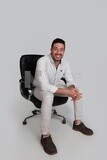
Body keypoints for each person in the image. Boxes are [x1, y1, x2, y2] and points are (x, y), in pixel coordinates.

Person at [33, 38, 94, 155]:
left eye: (61, 50)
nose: (58, 52)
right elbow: (45, 86)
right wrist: (67, 93)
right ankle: (45, 136)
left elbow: (70, 79)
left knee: (78, 90)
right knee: (49, 96)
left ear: (64, 51)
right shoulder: (42, 61)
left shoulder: (65, 63)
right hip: (39, 89)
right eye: (55, 49)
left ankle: (78, 123)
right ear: (50, 49)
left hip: (55, 86)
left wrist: (71, 89)